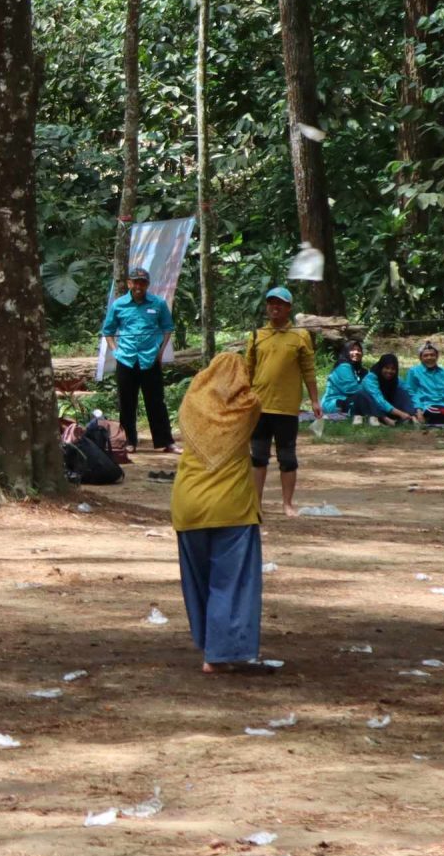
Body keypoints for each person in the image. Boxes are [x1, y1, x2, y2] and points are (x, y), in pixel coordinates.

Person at [171, 350, 272, 675]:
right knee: (230, 583)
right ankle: (218, 654)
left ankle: (210, 647)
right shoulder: (248, 407)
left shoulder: (191, 402)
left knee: (199, 583)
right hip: (232, 508)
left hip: (188, 504)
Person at [243, 286, 319, 519]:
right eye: (271, 303)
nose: (275, 307)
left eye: (280, 303)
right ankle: (256, 504)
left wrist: (315, 400)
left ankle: (287, 504)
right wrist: (242, 397)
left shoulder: (300, 336)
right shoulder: (257, 335)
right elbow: (247, 370)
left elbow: (308, 370)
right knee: (258, 457)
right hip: (259, 406)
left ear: (288, 308)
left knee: (287, 458)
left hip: (286, 408)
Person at [99, 265, 176, 451]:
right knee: (127, 402)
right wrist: (116, 351)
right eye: (135, 282)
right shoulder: (118, 305)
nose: (139, 286)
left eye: (142, 283)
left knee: (156, 401)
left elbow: (167, 328)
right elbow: (108, 331)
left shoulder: (158, 303)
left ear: (147, 284)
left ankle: (166, 442)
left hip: (150, 359)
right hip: (126, 360)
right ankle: (129, 442)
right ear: (129, 283)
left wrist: (160, 352)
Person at [324, 340, 411, 426]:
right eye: (352, 350)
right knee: (368, 394)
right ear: (346, 352)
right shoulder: (344, 367)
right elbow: (352, 390)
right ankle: (385, 419)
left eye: (359, 350)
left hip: (353, 401)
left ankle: (408, 415)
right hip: (337, 403)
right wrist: (370, 387)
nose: (356, 352)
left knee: (374, 393)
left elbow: (405, 387)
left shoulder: (362, 370)